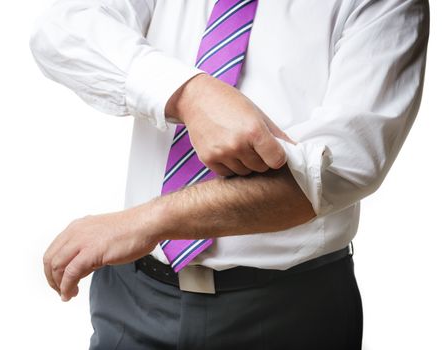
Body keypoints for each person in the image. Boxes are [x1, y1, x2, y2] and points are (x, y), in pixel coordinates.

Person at [29, 0, 429, 349]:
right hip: (134, 298)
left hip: (289, 312)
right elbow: (63, 28)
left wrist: (148, 221)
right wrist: (189, 93)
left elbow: (338, 170)